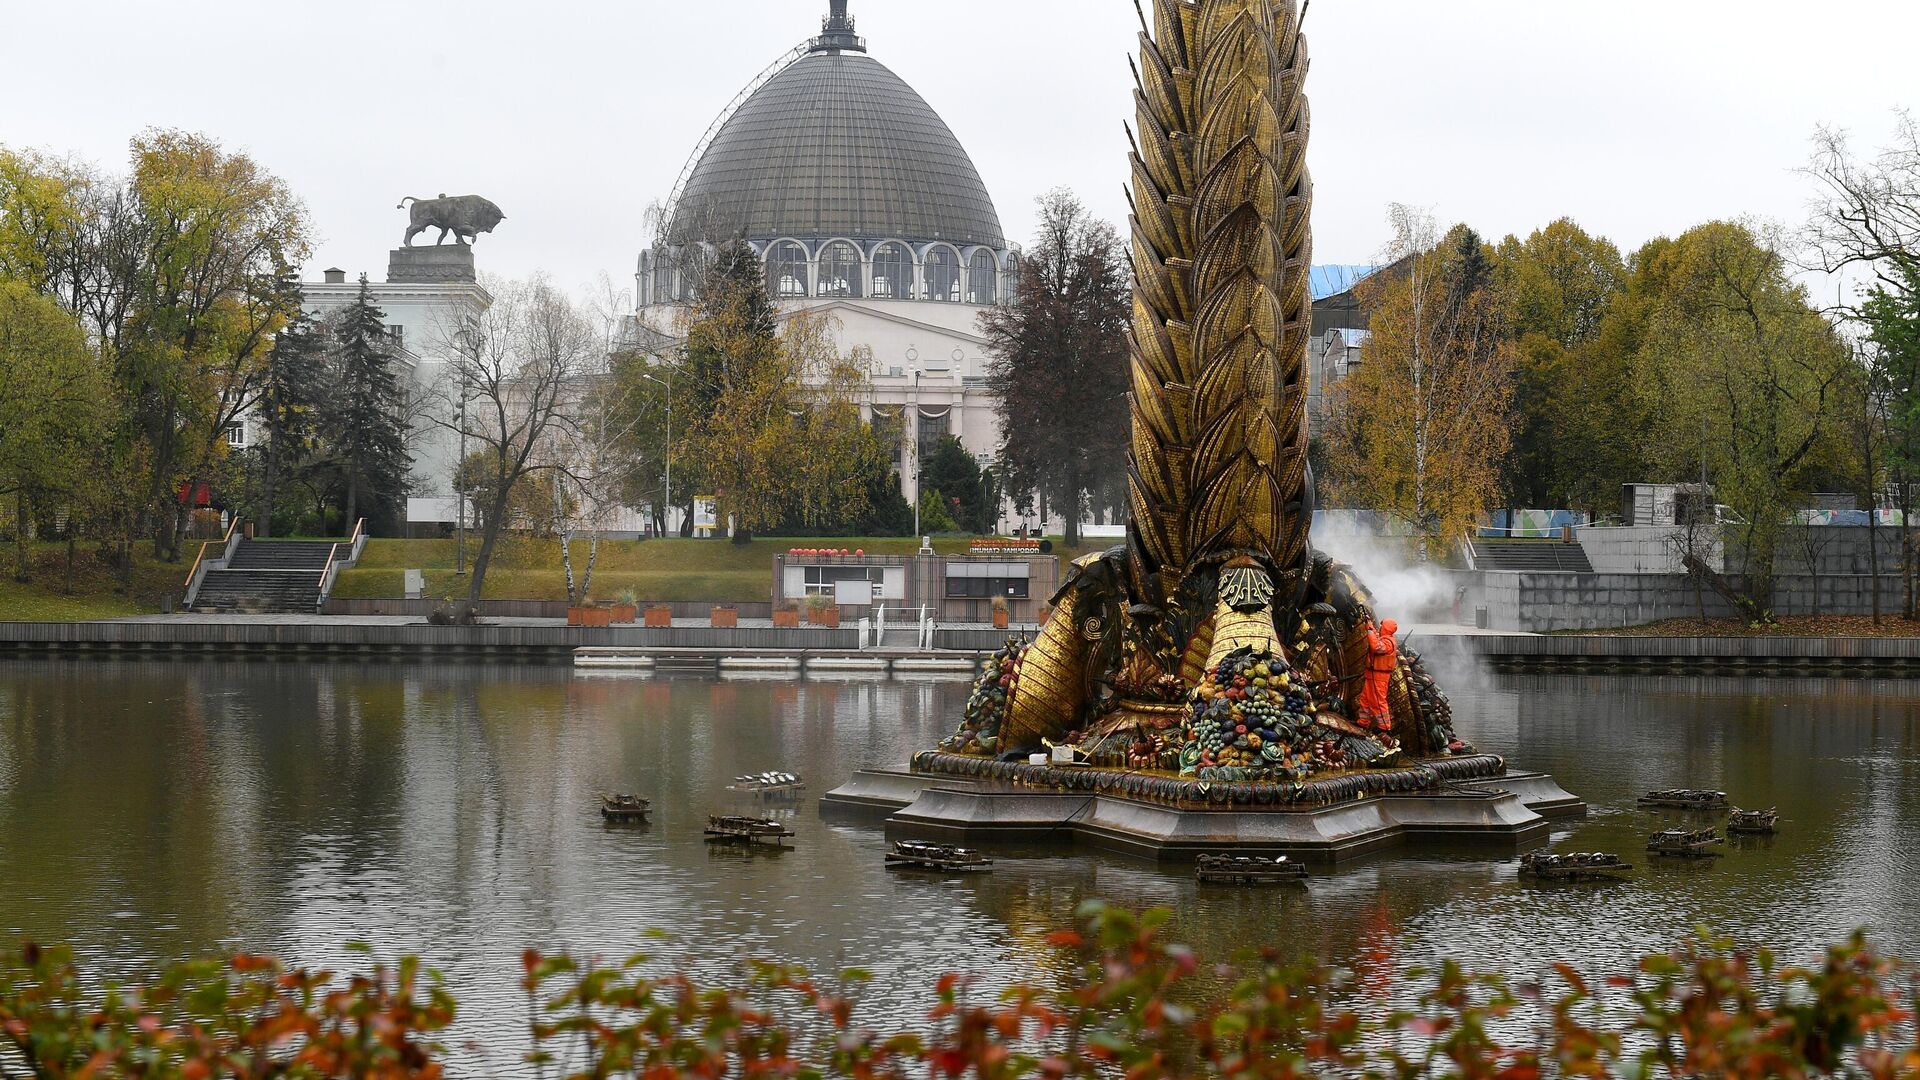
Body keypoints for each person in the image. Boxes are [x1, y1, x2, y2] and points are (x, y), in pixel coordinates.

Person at [1358, 618, 1399, 732]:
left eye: (1382, 626)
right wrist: (1369, 626)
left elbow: (1376, 647)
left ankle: (1385, 727)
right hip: (1372, 675)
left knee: (1378, 702)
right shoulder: (1385, 639)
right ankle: (1363, 722)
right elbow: (1376, 638)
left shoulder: (1388, 643)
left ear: (1385, 628)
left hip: (1379, 677)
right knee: (1365, 699)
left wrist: (1370, 629)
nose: (1380, 628)